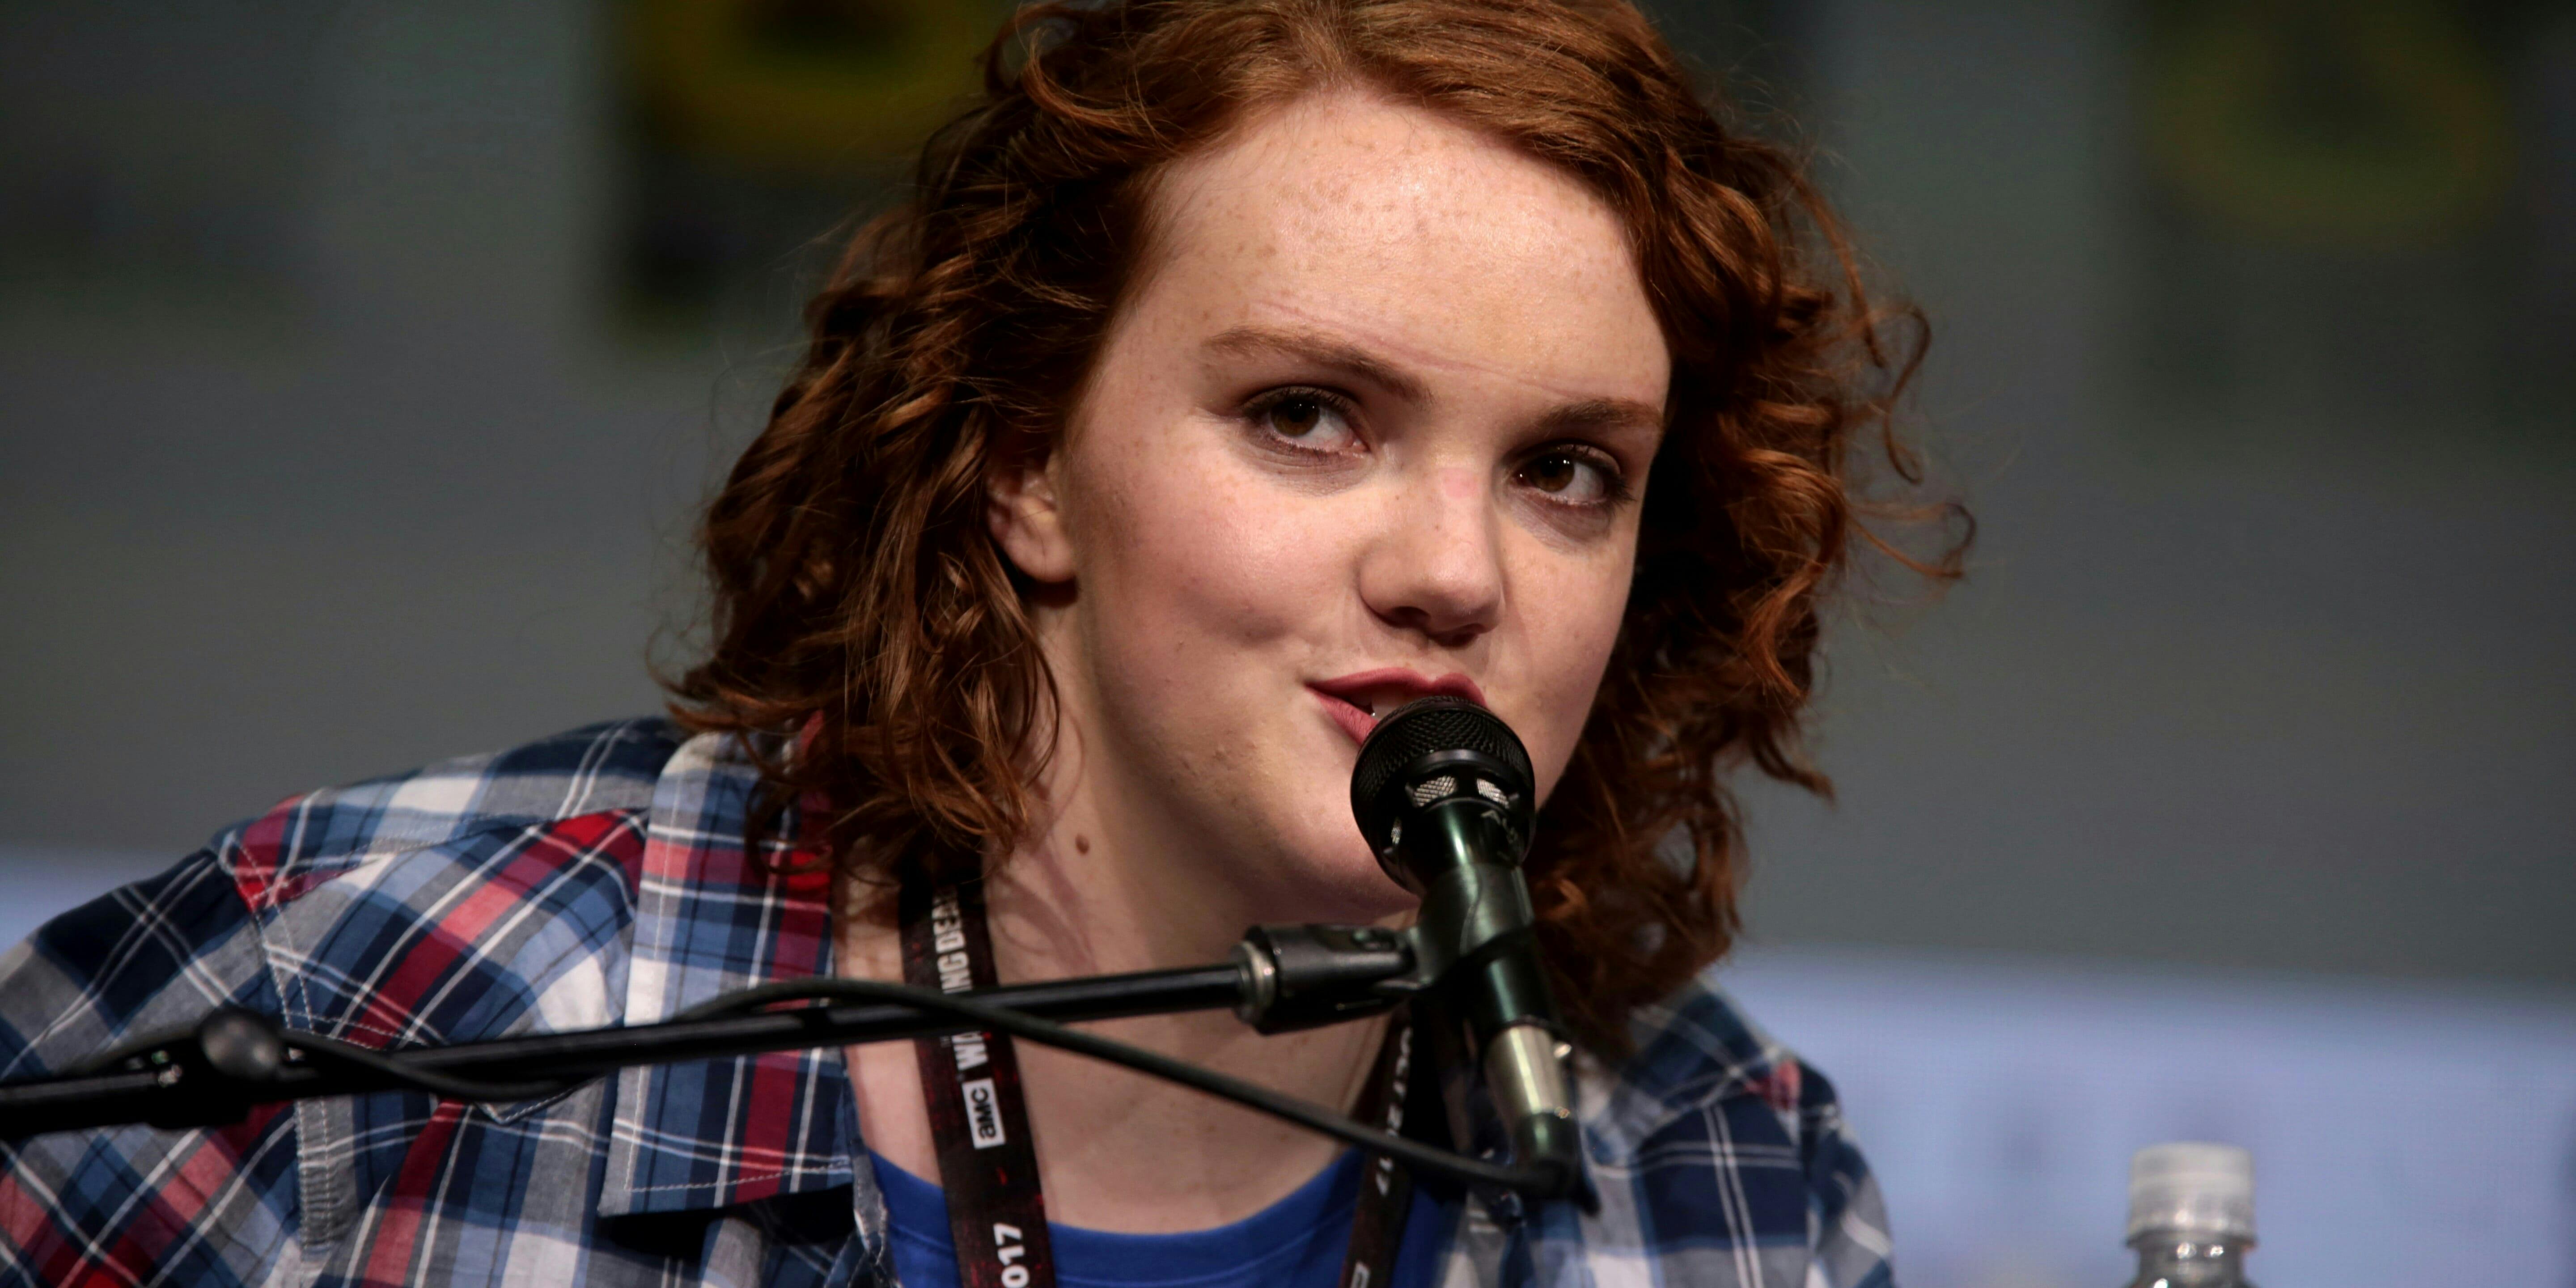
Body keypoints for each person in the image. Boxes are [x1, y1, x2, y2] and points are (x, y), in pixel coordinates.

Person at [0, 1, 1962, 1284]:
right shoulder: (376, 1009)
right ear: (1026, 458)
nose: (1457, 572)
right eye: (1307, 416)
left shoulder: (1714, 1185)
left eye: (1566, 471)